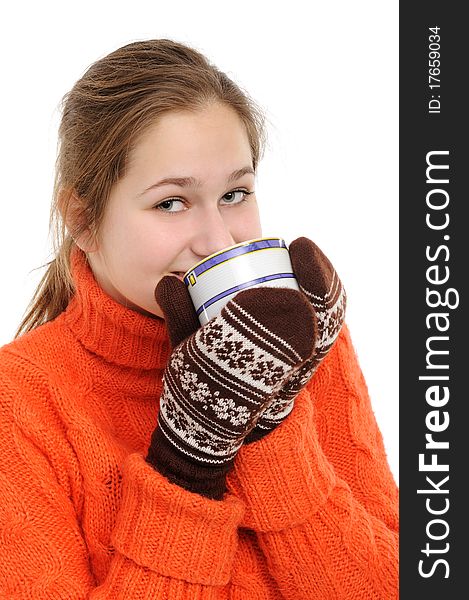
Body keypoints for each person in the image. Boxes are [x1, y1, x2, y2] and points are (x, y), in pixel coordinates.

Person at [0, 39, 398, 599]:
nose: (218, 240)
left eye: (235, 193)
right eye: (171, 202)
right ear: (84, 220)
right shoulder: (18, 402)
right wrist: (187, 462)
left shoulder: (296, 341)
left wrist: (272, 429)